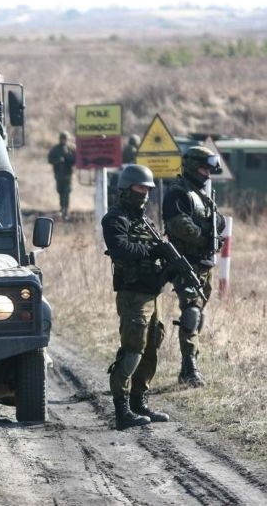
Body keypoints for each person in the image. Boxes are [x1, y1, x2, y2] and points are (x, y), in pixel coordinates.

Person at [102, 164, 170, 430]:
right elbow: (121, 249)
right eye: (140, 188)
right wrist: (153, 251)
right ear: (126, 188)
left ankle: (139, 402)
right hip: (132, 295)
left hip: (153, 293)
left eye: (148, 189)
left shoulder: (146, 221)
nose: (145, 193)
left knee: (152, 347)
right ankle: (122, 410)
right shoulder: (114, 219)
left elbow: (156, 250)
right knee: (133, 350)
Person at [162, 146, 225, 388]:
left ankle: (188, 366)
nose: (207, 173)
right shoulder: (178, 194)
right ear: (190, 166)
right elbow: (181, 227)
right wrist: (207, 233)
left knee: (199, 315)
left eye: (209, 169)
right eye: (203, 168)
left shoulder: (203, 195)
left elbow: (218, 223)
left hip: (205, 263)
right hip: (186, 262)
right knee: (191, 312)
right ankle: (189, 369)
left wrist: (211, 232)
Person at [48, 130, 76, 218]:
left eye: (65, 138)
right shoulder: (55, 149)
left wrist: (67, 156)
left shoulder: (71, 148)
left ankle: (66, 209)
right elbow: (50, 159)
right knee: (60, 191)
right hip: (59, 175)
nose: (63, 140)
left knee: (66, 192)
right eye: (62, 138)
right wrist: (57, 161)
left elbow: (75, 160)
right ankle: (62, 207)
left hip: (68, 174)